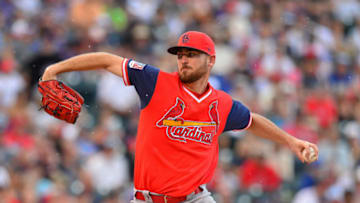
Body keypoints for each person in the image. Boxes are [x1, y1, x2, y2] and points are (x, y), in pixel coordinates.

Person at [41, 31, 319, 203]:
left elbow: (252, 120)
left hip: (195, 199)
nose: (183, 59)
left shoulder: (221, 104)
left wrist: (291, 141)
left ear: (210, 61)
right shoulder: (154, 82)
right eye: (180, 55)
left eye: (192, 55)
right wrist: (56, 68)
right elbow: (106, 59)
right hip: (146, 199)